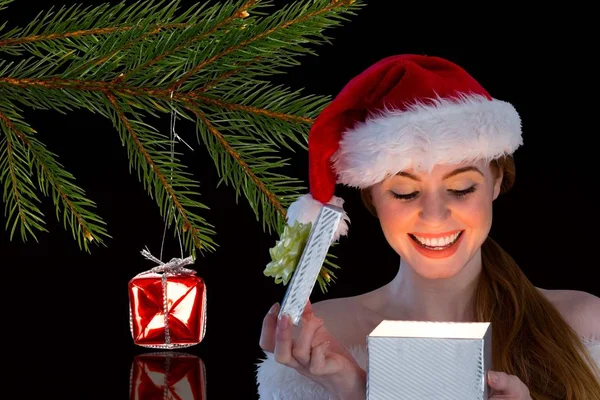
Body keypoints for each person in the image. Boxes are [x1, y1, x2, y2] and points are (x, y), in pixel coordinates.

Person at [255, 54, 600, 399]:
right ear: (373, 197)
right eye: (405, 192)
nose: (434, 216)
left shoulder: (585, 328)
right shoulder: (320, 342)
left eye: (461, 188)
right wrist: (355, 389)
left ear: (496, 182)